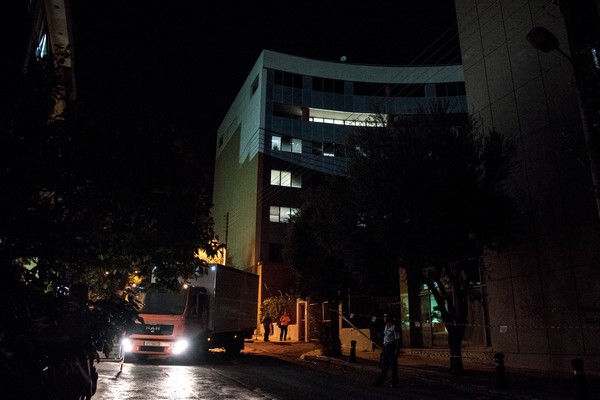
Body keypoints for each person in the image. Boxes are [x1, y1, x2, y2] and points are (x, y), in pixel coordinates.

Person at [371, 313, 400, 388]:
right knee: (384, 366)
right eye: (384, 317)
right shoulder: (386, 326)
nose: (385, 318)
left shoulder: (394, 327)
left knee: (393, 366)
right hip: (386, 347)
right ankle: (380, 382)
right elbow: (385, 337)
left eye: (386, 317)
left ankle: (394, 383)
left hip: (392, 347)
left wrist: (396, 350)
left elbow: (397, 340)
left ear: (390, 318)